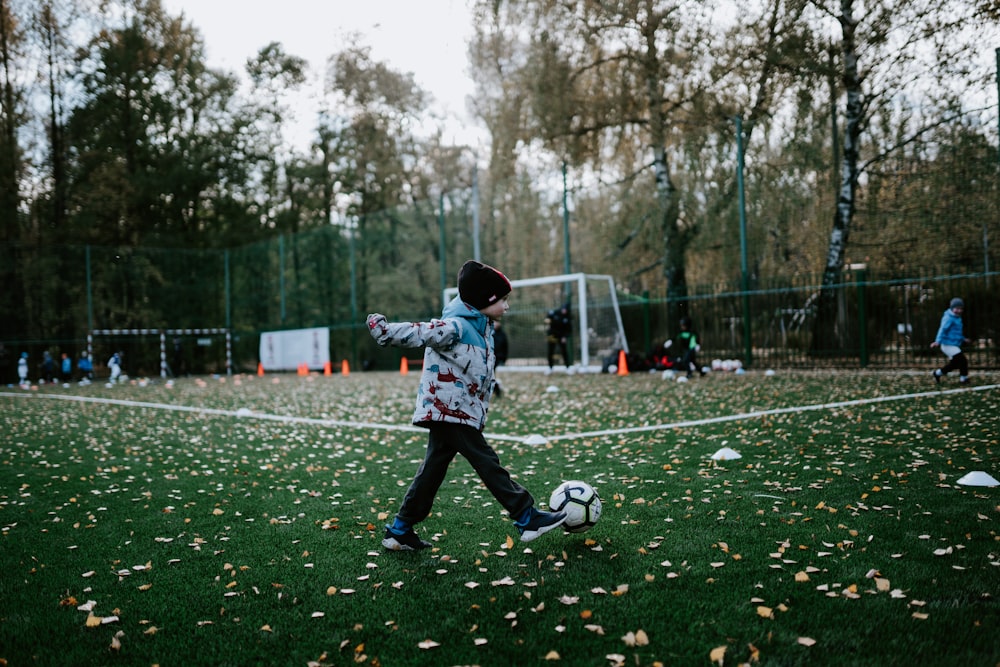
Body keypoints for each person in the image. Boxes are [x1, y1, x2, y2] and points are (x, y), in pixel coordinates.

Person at [366, 259, 566, 551]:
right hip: (449, 411)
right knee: (486, 460)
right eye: (502, 300)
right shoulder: (456, 326)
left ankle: (399, 529)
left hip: (458, 412)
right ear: (483, 300)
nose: (506, 307)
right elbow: (421, 331)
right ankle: (525, 516)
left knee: (432, 470)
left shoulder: (483, 329)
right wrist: (384, 331)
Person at [931, 297, 970, 385]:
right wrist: (937, 341)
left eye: (960, 309)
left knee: (955, 364)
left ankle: (937, 373)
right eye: (956, 308)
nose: (959, 310)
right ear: (952, 308)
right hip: (947, 344)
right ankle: (963, 379)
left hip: (953, 344)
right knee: (963, 360)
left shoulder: (957, 318)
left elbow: (956, 332)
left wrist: (964, 339)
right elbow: (942, 329)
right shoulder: (948, 318)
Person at [545, 302, 572, 370]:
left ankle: (567, 367)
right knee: (551, 351)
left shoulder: (568, 318)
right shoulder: (555, 313)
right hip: (552, 335)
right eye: (563, 309)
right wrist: (547, 322)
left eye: (566, 310)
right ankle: (550, 367)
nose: (564, 311)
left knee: (564, 351)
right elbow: (547, 318)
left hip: (561, 337)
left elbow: (568, 330)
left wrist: (565, 337)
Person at [492, 320, 508, 398]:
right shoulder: (490, 333)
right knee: (491, 375)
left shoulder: (502, 334)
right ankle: (496, 389)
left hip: (497, 357)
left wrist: (504, 358)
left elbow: (505, 347)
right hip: (491, 356)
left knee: (492, 375)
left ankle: (496, 389)